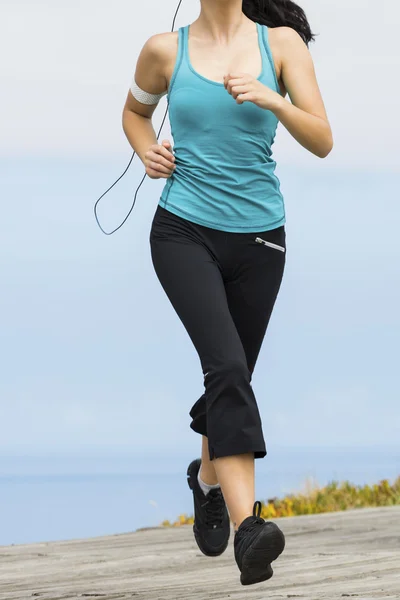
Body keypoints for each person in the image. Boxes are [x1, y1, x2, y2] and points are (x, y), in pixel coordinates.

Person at [122, 0, 333, 587]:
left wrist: (272, 99)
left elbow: (323, 139)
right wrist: (146, 150)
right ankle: (249, 530)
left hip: (261, 236)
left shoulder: (281, 45)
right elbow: (134, 114)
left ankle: (208, 480)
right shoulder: (165, 50)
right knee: (228, 368)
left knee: (231, 376)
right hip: (183, 230)